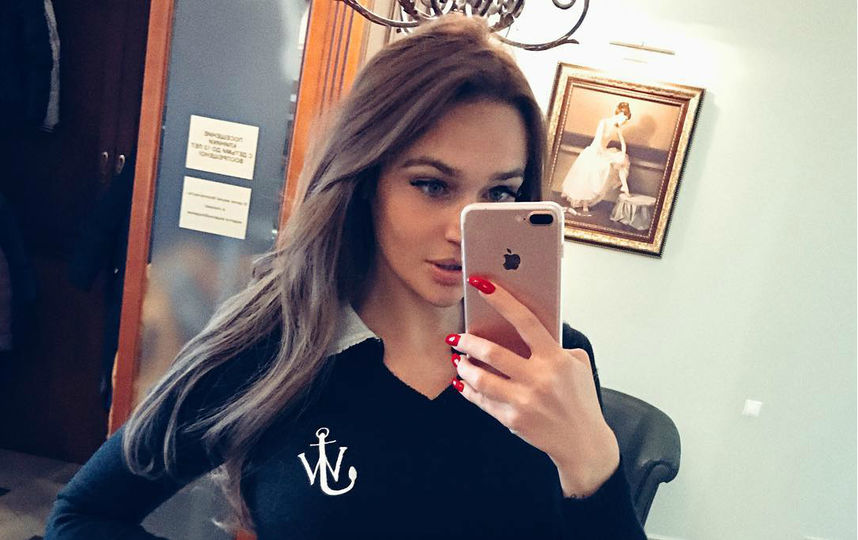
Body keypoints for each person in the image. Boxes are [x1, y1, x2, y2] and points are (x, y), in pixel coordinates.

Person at [45, 15, 646, 540]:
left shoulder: (551, 364)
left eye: (499, 193)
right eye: (431, 185)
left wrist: (593, 462)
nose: (463, 228)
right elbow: (83, 515)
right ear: (364, 180)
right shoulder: (273, 347)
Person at [560, 102, 632, 216]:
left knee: (623, 159)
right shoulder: (604, 122)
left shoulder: (617, 127)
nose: (624, 122)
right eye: (624, 119)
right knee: (590, 174)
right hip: (594, 151)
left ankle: (625, 187)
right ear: (621, 114)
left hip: (604, 151)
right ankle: (585, 203)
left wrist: (622, 154)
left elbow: (623, 143)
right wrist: (605, 157)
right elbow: (598, 141)